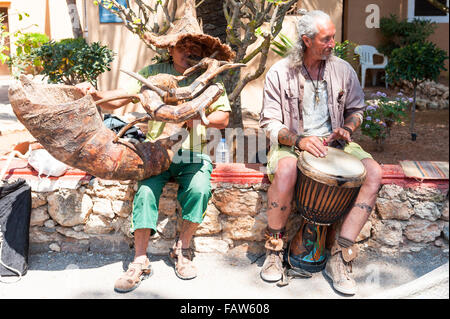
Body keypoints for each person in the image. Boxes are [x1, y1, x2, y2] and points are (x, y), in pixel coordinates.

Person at [77, 38, 232, 293]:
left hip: (193, 153)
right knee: (146, 192)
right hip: (156, 152)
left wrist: (196, 116)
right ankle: (140, 259)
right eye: (182, 46)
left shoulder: (208, 78)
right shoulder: (152, 74)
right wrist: (96, 95)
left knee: (200, 190)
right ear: (170, 49)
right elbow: (119, 100)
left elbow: (223, 117)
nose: (189, 51)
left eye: (194, 47)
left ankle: (182, 249)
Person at [259, 10, 382, 295]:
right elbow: (269, 122)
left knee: (374, 172)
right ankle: (275, 249)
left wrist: (348, 128)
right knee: (287, 168)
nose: (332, 44)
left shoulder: (342, 69)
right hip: (292, 144)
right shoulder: (280, 72)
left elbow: (357, 110)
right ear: (306, 40)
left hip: (336, 144)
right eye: (326, 39)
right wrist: (299, 141)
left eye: (333, 38)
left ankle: (340, 255)